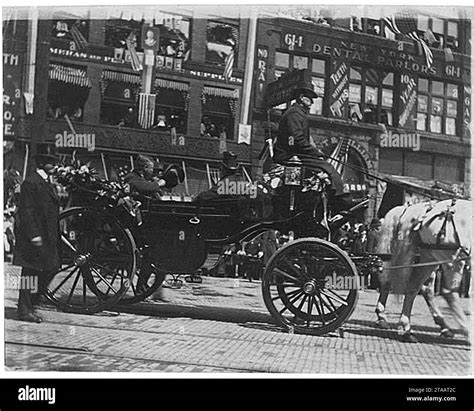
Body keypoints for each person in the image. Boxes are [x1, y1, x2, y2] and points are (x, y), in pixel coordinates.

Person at [273, 85, 357, 214]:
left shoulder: (296, 114)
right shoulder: (294, 114)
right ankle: (342, 201)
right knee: (327, 167)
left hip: (293, 152)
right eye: (310, 99)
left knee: (325, 167)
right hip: (289, 154)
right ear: (301, 97)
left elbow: (296, 139)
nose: (312, 102)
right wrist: (314, 152)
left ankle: (332, 203)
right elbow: (295, 139)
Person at [13, 145, 61, 323]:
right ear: (41, 163)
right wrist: (34, 235)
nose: (54, 164)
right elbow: (26, 211)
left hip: (47, 235)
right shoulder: (31, 182)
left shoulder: (47, 181)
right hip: (34, 236)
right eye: (51, 162)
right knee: (30, 272)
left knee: (52, 266)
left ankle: (31, 303)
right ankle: (25, 310)